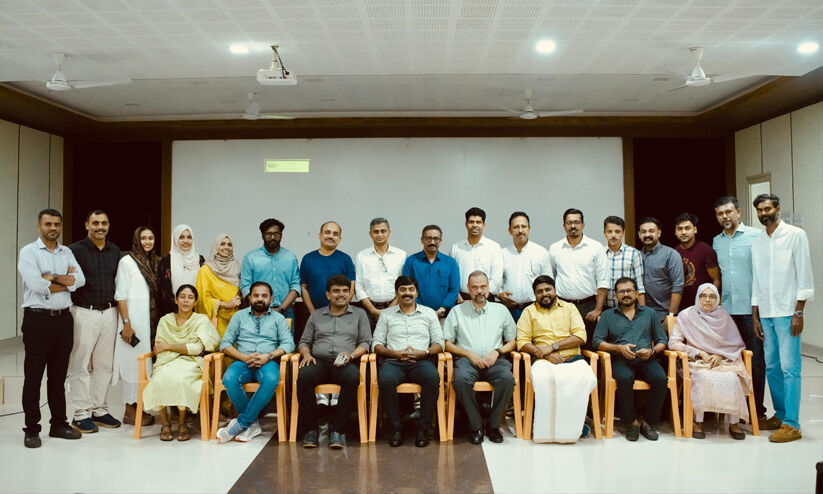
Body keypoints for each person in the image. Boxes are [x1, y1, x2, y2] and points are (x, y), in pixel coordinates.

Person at [18, 209, 85, 448]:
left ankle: (58, 424)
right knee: (33, 377)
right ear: (39, 226)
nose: (53, 228)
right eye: (48, 224)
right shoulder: (29, 252)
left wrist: (51, 277)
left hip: (63, 320)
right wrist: (65, 281)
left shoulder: (67, 252)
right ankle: (32, 429)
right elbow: (36, 284)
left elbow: (80, 281)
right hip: (37, 320)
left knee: (58, 377)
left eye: (56, 224)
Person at [751, 193, 814, 443]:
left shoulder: (795, 235)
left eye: (767, 209)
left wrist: (799, 312)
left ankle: (792, 424)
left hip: (788, 312)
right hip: (766, 313)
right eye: (760, 210)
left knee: (790, 368)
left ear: (777, 208)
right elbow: (756, 280)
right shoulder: (758, 241)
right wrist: (755, 315)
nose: (764, 214)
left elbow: (804, 275)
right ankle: (780, 415)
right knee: (773, 367)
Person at [712, 195, 770, 429]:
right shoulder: (716, 242)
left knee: (755, 362)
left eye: (728, 212)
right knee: (728, 362)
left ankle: (757, 411)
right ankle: (731, 409)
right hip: (727, 311)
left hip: (751, 311)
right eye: (720, 214)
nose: (724, 217)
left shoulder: (757, 236)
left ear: (738, 212)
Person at [516, 275, 596, 443]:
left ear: (555, 290)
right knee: (544, 379)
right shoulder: (529, 312)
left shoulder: (570, 308)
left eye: (548, 289)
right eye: (539, 291)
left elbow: (581, 336)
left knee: (582, 378)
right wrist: (545, 354)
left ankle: (575, 425)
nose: (544, 294)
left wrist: (553, 347)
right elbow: (522, 342)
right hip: (542, 360)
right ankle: (544, 428)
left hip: (572, 358)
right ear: (534, 294)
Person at [296, 275, 371, 449]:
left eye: (345, 291)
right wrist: (306, 354)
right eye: (336, 291)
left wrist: (351, 356)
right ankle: (310, 430)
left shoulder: (359, 314)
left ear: (350, 293)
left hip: (345, 362)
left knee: (352, 377)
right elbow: (304, 342)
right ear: (328, 294)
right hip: (318, 361)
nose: (341, 294)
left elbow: (366, 342)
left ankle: (338, 430)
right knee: (304, 377)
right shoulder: (316, 315)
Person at [669, 284, 752, 440]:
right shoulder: (686, 316)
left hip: (722, 361)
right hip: (695, 362)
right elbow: (673, 343)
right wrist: (698, 353)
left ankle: (734, 422)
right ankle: (697, 421)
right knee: (703, 378)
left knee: (733, 378)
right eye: (704, 296)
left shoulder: (723, 316)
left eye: (712, 296)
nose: (707, 300)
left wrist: (720, 355)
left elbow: (734, 344)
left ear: (718, 299)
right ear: (697, 297)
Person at [216, 282, 295, 443]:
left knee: (271, 379)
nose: (260, 299)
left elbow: (289, 344)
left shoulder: (278, 318)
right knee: (229, 379)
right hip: (243, 361)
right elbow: (225, 344)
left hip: (268, 362)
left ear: (271, 298)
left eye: (264, 296)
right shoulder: (239, 316)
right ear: (250, 298)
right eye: (256, 295)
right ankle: (251, 423)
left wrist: (268, 356)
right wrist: (244, 357)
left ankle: (243, 423)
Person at [443, 271, 516, 444]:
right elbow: (447, 343)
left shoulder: (501, 310)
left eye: (483, 286)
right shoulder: (457, 311)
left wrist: (497, 352)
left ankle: (493, 424)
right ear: (468, 288)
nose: (479, 291)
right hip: (467, 361)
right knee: (460, 380)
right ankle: (476, 425)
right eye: (475, 287)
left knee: (507, 380)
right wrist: (469, 354)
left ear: (489, 287)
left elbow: (512, 341)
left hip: (495, 360)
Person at [593, 277, 668, 442]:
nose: (625, 294)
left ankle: (647, 422)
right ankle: (631, 422)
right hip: (621, 359)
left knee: (661, 379)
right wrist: (618, 348)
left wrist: (652, 351)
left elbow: (663, 340)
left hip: (647, 359)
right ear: (616, 295)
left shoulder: (649, 313)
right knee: (625, 378)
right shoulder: (607, 315)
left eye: (629, 291)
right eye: (621, 291)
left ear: (636, 293)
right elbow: (597, 341)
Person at [142, 285, 220, 441]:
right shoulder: (165, 321)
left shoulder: (200, 320)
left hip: (191, 362)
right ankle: (165, 424)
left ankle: (182, 423)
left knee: (182, 379)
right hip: (167, 361)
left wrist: (169, 346)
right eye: (182, 297)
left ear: (195, 302)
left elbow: (197, 348)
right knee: (159, 379)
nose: (186, 300)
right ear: (176, 300)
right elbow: (159, 347)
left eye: (190, 297)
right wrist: (181, 348)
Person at [67, 209, 122, 433]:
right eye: (96, 223)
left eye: (104, 223)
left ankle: (100, 410)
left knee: (104, 365)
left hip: (109, 313)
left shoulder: (114, 250)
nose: (100, 227)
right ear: (87, 225)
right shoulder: (74, 251)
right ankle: (81, 414)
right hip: (84, 312)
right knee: (80, 364)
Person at [373, 276, 444, 447]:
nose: (407, 293)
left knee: (432, 378)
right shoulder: (386, 315)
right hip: (393, 362)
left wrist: (424, 352)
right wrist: (394, 353)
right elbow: (376, 344)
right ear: (396, 293)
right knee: (385, 379)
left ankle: (422, 428)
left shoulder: (429, 313)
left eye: (411, 289)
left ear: (417, 292)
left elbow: (439, 343)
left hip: (421, 361)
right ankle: (395, 428)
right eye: (403, 290)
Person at [114, 226, 160, 427]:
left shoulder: (156, 262)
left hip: (151, 321)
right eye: (143, 238)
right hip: (133, 324)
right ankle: (130, 410)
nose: (147, 242)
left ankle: (141, 407)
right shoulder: (127, 262)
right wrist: (127, 324)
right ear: (136, 240)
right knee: (132, 365)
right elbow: (121, 295)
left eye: (151, 238)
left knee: (145, 365)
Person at [548, 208, 609, 348]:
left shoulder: (595, 247)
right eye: (569, 223)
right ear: (564, 226)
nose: (573, 226)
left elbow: (603, 281)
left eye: (576, 222)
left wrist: (598, 309)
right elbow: (551, 278)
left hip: (588, 307)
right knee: (563, 345)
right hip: (562, 305)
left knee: (589, 346)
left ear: (583, 225)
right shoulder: (555, 248)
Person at [240, 218, 300, 319]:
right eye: (268, 234)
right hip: (257, 312)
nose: (272, 237)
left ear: (281, 235)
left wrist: (281, 309)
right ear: (262, 235)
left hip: (286, 311)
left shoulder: (290, 258)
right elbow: (245, 286)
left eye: (276, 234)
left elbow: (296, 286)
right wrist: (261, 309)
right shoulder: (251, 258)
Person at [498, 212, 551, 321]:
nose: (520, 230)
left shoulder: (541, 252)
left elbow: (549, 282)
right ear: (509, 230)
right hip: (508, 311)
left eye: (524, 226)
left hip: (535, 309)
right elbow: (495, 280)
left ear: (529, 229)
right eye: (516, 227)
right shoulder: (502, 254)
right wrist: (499, 294)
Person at [354, 218, 406, 329]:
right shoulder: (361, 256)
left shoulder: (401, 255)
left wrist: (390, 308)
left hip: (395, 308)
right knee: (368, 339)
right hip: (368, 310)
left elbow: (403, 284)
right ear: (370, 234)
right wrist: (373, 310)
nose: (380, 235)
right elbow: (359, 286)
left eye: (383, 231)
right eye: (376, 231)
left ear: (389, 232)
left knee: (394, 338)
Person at [402, 225, 460, 319]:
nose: (432, 242)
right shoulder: (411, 261)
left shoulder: (450, 263)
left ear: (440, 241)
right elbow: (407, 289)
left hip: (444, 316)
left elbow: (454, 290)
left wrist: (441, 310)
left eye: (436, 239)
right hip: (416, 316)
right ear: (422, 240)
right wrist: (422, 310)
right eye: (428, 238)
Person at [300, 221, 356, 313]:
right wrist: (313, 313)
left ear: (339, 239)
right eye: (327, 232)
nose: (331, 236)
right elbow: (304, 288)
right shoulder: (308, 259)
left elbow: (352, 288)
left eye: (335, 234)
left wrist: (340, 311)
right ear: (320, 235)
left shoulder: (346, 259)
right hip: (314, 313)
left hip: (341, 314)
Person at [450, 207, 503, 302]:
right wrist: (459, 298)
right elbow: (451, 277)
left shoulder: (494, 247)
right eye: (471, 222)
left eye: (478, 222)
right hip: (462, 300)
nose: (475, 225)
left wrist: (481, 297)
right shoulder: (456, 248)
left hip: (486, 299)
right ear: (466, 224)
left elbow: (497, 280)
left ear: (484, 225)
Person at [638, 217, 684, 321]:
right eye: (643, 232)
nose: (647, 235)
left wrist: (671, 316)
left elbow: (678, 286)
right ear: (639, 235)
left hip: (665, 314)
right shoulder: (636, 256)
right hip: (642, 314)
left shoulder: (671, 254)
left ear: (659, 233)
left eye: (651, 231)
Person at [196, 234, 242, 338]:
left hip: (235, 319)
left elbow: (241, 292)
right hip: (216, 320)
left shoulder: (237, 267)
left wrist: (240, 299)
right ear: (216, 247)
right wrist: (227, 304)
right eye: (222, 244)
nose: (226, 247)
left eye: (229, 244)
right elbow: (202, 299)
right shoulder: (206, 270)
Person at [673, 213, 720, 311]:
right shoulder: (674, 252)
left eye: (687, 228)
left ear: (695, 229)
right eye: (680, 229)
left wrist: (712, 304)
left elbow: (716, 280)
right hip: (682, 309)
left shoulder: (705, 250)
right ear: (675, 232)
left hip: (703, 308)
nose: (683, 232)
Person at [158, 224, 204, 316]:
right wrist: (179, 307)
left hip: (196, 312)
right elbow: (163, 289)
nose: (186, 241)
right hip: (173, 312)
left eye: (189, 237)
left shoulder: (200, 260)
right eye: (181, 237)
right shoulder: (166, 261)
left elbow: (204, 286)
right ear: (175, 239)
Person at [603, 216, 646, 307]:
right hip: (605, 307)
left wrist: (643, 312)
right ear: (604, 233)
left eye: (617, 232)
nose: (613, 235)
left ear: (623, 233)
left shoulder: (634, 253)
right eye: (609, 232)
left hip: (629, 307)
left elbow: (640, 286)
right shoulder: (600, 254)